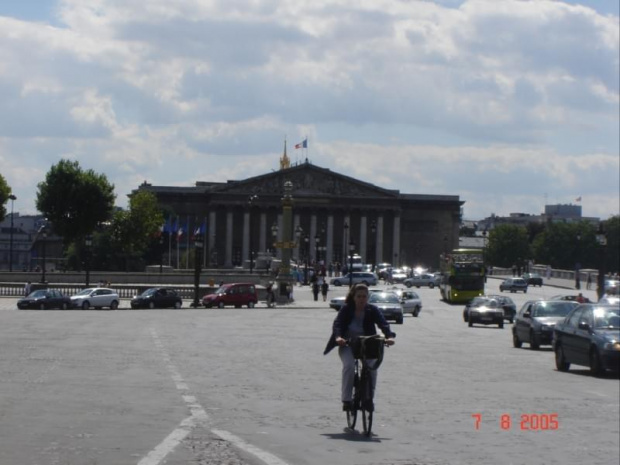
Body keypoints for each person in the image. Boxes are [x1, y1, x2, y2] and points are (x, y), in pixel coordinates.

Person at [323, 284, 396, 411]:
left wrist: (389, 336)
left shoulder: (372, 310)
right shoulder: (346, 309)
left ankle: (369, 399)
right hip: (347, 344)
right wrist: (338, 337)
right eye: (359, 296)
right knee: (349, 366)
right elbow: (338, 324)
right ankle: (346, 400)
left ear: (368, 297)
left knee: (372, 369)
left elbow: (383, 323)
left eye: (364, 296)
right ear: (353, 297)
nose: (362, 299)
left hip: (367, 344)